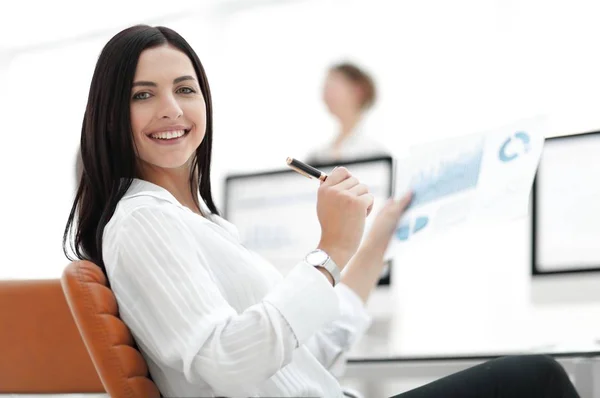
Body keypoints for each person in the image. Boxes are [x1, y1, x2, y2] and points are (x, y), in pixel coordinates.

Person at [63, 24, 580, 398]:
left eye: (185, 89)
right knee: (537, 379)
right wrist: (328, 250)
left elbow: (312, 350)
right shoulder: (144, 220)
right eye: (143, 95)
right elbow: (229, 362)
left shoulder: (199, 224)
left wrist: (369, 242)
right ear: (111, 115)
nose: (172, 109)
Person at [307, 62, 388, 165]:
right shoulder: (317, 155)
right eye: (325, 88)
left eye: (333, 87)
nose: (325, 94)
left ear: (358, 91)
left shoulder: (376, 152)